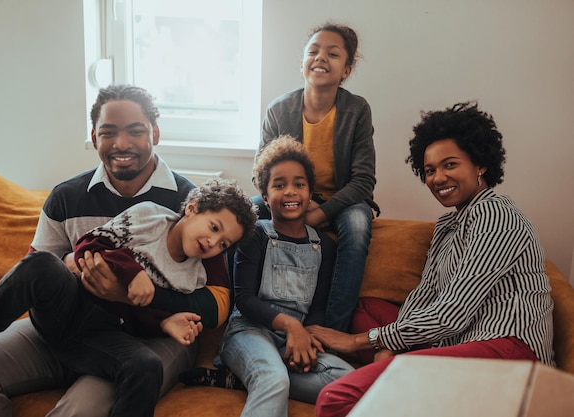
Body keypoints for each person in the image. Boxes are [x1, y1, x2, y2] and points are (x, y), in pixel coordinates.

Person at [0, 84, 236, 417]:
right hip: (70, 321)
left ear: (155, 133)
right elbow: (35, 270)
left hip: (150, 338)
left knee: (81, 411)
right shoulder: (67, 197)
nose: (122, 143)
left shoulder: (195, 207)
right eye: (108, 132)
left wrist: (127, 293)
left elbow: (217, 301)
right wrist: (74, 262)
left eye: (135, 131)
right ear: (95, 137)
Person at [309, 101, 555, 417]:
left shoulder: (495, 213)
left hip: (507, 351)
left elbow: (451, 314)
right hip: (459, 341)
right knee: (362, 306)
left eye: (449, 165)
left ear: (480, 163)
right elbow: (423, 299)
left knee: (335, 398)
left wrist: (358, 341)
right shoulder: (447, 225)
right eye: (429, 170)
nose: (438, 178)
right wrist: (389, 345)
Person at [0, 178, 257, 417]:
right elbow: (87, 245)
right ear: (192, 208)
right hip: (71, 307)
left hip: (106, 336)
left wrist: (164, 322)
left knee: (146, 364)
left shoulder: (195, 275)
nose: (212, 242)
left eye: (223, 243)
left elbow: (143, 316)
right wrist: (131, 271)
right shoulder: (148, 216)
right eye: (214, 228)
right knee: (42, 264)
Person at [186, 136, 355, 416]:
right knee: (272, 378)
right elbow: (244, 298)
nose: (290, 192)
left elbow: (318, 307)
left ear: (310, 192)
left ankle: (242, 378)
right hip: (249, 332)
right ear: (265, 196)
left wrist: (307, 340)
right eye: (279, 185)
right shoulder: (255, 236)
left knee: (349, 382)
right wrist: (292, 327)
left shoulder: (325, 245)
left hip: (294, 339)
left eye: (299, 184)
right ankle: (259, 375)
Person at [255, 22, 379, 332]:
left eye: (332, 54)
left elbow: (363, 181)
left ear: (346, 69)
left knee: (358, 223)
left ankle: (332, 331)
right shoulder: (279, 110)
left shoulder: (357, 110)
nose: (321, 58)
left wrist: (320, 213)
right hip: (290, 195)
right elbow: (261, 173)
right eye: (313, 51)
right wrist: (291, 202)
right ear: (302, 64)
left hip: (342, 200)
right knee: (244, 210)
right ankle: (246, 318)